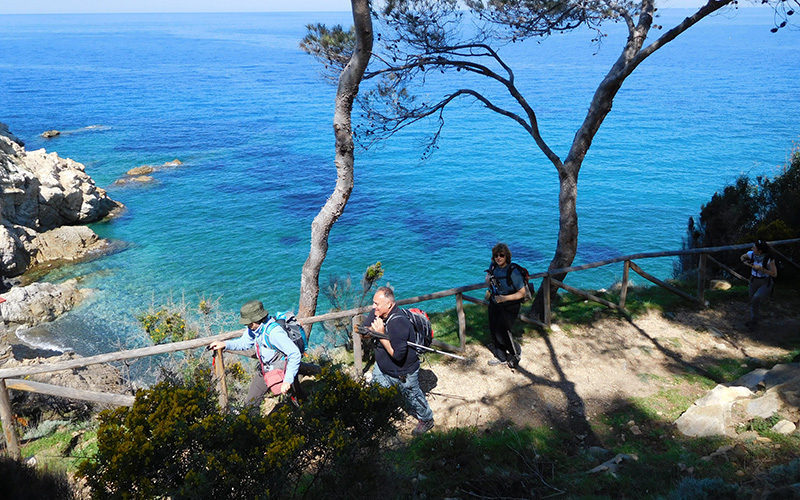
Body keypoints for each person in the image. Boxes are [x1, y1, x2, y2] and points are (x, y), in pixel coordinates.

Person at [209, 300, 315, 406]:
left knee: (298, 400)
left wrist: (287, 380)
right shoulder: (254, 329)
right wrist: (224, 344)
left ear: (257, 319)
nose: (247, 325)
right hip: (266, 370)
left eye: (249, 323)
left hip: (283, 371)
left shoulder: (274, 333)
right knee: (250, 404)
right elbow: (244, 343)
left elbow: (294, 354)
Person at [360, 286, 435, 436]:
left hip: (403, 371)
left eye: (377, 304)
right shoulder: (376, 313)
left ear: (389, 305)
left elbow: (397, 355)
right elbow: (363, 332)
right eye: (373, 303)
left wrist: (380, 334)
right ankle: (377, 417)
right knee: (376, 392)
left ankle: (426, 419)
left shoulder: (399, 323)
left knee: (413, 396)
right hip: (382, 367)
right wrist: (371, 332)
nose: (373, 306)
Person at [485, 243, 527, 368]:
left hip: (510, 305)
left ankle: (515, 352)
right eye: (496, 255)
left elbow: (522, 293)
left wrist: (504, 298)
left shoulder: (513, 271)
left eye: (501, 255)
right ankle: (501, 356)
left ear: (506, 256)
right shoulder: (493, 267)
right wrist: (487, 280)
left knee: (501, 332)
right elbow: (491, 282)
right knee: (493, 329)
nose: (499, 258)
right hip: (495, 302)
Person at [739, 239, 778, 329]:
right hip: (753, 280)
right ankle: (754, 320)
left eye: (754, 248)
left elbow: (774, 274)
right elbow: (742, 257)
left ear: (760, 251)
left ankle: (754, 319)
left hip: (765, 282)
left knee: (755, 298)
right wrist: (750, 265)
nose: (752, 248)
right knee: (752, 300)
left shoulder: (769, 259)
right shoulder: (751, 254)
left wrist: (762, 269)